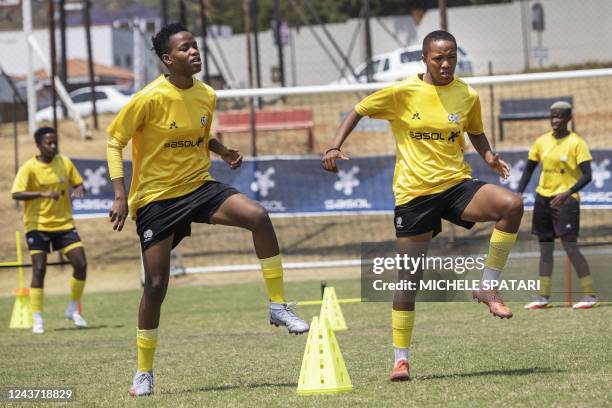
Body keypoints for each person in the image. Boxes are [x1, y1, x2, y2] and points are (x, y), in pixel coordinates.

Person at [106, 22, 308, 397]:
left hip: (199, 186)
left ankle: (278, 305)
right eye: (185, 49)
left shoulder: (207, 94)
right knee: (155, 286)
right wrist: (120, 194)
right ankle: (144, 373)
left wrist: (222, 151)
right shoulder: (148, 99)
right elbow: (114, 141)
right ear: (168, 59)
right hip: (157, 199)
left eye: (195, 46)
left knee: (258, 216)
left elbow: (199, 134)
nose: (194, 52)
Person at [322, 30, 524, 382]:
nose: (446, 64)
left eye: (451, 56)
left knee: (512, 205)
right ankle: (401, 359)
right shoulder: (402, 92)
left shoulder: (467, 94)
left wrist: (489, 156)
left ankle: (487, 285)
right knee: (408, 281)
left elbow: (474, 129)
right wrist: (333, 146)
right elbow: (358, 109)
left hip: (456, 185)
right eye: (438, 58)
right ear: (424, 59)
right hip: (414, 195)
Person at [518, 101, 597, 310]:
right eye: (553, 116)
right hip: (543, 198)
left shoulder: (577, 143)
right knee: (545, 248)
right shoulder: (541, 142)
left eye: (560, 116)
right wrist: (519, 192)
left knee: (570, 246)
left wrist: (568, 192)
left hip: (566, 201)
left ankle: (589, 294)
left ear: (569, 119)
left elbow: (588, 175)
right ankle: (543, 296)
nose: (555, 120)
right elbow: (528, 170)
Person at [11, 126, 88, 334]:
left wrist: (79, 189)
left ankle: (73, 309)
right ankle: (37, 319)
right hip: (37, 225)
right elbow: (16, 194)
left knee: (81, 264)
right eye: (49, 143)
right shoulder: (29, 167)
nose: (53, 146)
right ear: (38, 145)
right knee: (39, 269)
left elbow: (79, 183)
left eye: (55, 142)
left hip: (64, 224)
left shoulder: (64, 162)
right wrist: (42, 195)